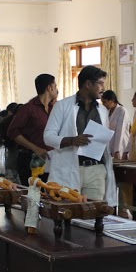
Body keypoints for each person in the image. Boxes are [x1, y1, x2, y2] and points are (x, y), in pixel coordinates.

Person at [43, 65, 117, 206]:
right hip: (69, 167)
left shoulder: (102, 110)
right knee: (68, 210)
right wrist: (72, 140)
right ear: (88, 84)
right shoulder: (62, 106)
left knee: (93, 211)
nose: (103, 88)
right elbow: (48, 137)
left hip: (96, 169)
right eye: (100, 84)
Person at [8, 74, 57, 184]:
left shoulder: (54, 108)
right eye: (55, 86)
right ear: (49, 88)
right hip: (30, 159)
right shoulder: (28, 108)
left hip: (50, 160)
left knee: (49, 191)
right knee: (32, 191)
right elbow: (12, 132)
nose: (56, 90)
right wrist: (35, 148)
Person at [101, 90, 131, 159]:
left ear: (111, 101)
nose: (103, 105)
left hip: (121, 145)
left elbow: (120, 132)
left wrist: (117, 150)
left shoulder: (122, 111)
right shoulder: (108, 112)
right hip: (110, 145)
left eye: (104, 102)